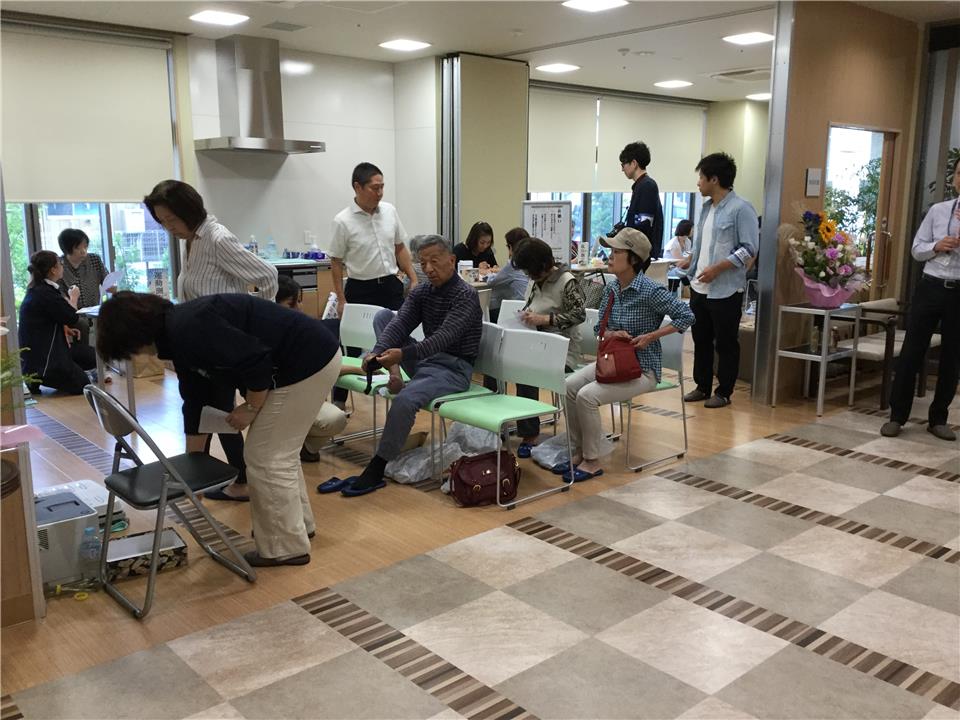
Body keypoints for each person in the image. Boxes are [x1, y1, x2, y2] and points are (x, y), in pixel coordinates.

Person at [96, 291, 342, 567]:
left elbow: (255, 360)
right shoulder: (177, 333)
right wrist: (192, 469)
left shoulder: (189, 328)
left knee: (266, 457)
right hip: (308, 356)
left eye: (129, 350)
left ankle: (285, 547)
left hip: (307, 362)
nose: (136, 356)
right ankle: (295, 529)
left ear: (134, 335)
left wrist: (251, 407)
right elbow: (195, 400)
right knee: (277, 452)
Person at [144, 179, 279, 501]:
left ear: (189, 210)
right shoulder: (192, 240)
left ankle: (229, 480)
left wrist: (256, 325)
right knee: (211, 409)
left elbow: (268, 275)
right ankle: (224, 479)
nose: (169, 227)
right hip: (200, 346)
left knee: (215, 409)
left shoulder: (216, 238)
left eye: (172, 220)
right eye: (162, 222)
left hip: (222, 347)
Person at [320, 235, 482, 497]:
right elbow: (400, 324)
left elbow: (443, 338)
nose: (428, 269)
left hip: (453, 369)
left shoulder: (466, 295)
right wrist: (376, 352)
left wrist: (402, 354)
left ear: (452, 260)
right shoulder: (422, 292)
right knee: (384, 316)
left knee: (406, 399)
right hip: (426, 362)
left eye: (435, 261)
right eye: (423, 263)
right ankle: (394, 374)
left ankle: (377, 466)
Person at [559, 228, 694, 481]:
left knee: (587, 396)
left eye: (616, 252)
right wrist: (612, 334)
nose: (609, 256)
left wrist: (651, 336)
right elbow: (599, 329)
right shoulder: (612, 288)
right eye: (610, 251)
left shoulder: (651, 291)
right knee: (568, 386)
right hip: (612, 363)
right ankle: (577, 450)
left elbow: (687, 315)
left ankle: (591, 461)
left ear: (633, 258)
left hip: (642, 369)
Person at [881, 157, 960, 442]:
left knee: (952, 356)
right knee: (912, 350)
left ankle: (938, 419)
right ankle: (897, 416)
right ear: (954, 178)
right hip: (930, 286)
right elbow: (916, 249)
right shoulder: (938, 211)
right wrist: (937, 246)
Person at [328, 162, 418, 409]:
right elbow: (335, 262)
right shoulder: (342, 221)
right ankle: (339, 400)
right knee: (350, 343)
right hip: (360, 287)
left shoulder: (389, 211)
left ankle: (402, 384)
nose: (380, 193)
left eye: (382, 187)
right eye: (374, 188)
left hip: (390, 285)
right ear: (358, 187)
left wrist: (413, 278)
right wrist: (341, 300)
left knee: (401, 334)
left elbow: (399, 247)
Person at [680, 152, 758, 409]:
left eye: (701, 177)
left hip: (725, 289)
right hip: (700, 286)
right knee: (700, 339)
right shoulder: (705, 208)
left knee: (725, 343)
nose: (698, 183)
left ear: (714, 179)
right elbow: (703, 245)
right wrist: (690, 260)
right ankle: (702, 386)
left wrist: (718, 268)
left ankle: (724, 391)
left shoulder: (741, 209)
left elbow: (748, 249)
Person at [508, 237, 586, 457]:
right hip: (537, 344)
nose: (528, 275)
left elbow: (579, 315)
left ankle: (529, 434)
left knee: (526, 372)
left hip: (562, 350)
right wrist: (526, 315)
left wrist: (545, 319)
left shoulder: (567, 281)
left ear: (543, 265)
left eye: (530, 271)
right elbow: (532, 306)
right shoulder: (536, 280)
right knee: (504, 364)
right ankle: (502, 423)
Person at [275, 275, 352, 461]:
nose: (299, 307)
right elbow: (320, 369)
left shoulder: (305, 330)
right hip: (277, 405)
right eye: (292, 303)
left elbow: (322, 367)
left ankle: (305, 447)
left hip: (301, 402)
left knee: (335, 418)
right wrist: (360, 369)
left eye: (299, 301)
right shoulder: (269, 334)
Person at [18, 251, 97, 396]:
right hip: (47, 361)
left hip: (32, 360)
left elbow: (46, 320)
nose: (62, 266)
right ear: (53, 270)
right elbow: (72, 317)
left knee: (92, 356)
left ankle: (42, 378)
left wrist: (63, 328)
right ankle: (54, 375)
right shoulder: (47, 293)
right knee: (83, 385)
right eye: (60, 264)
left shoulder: (36, 289)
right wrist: (74, 298)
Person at [58, 228, 112, 346]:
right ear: (67, 249)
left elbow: (108, 283)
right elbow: (60, 297)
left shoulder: (94, 259)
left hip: (95, 315)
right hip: (74, 320)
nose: (83, 251)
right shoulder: (59, 266)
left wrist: (113, 287)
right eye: (78, 248)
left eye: (85, 247)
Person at [620, 141, 665, 259]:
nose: (622, 169)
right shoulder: (642, 185)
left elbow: (644, 225)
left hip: (642, 255)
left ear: (634, 163)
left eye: (623, 164)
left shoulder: (647, 186)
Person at [480, 226, 530, 323]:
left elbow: (492, 282)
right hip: (530, 307)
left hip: (518, 311)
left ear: (510, 247)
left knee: (490, 306)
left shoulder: (514, 264)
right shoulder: (530, 260)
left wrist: (486, 273)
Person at [665, 219, 694, 294]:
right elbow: (680, 263)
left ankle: (689, 286)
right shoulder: (673, 243)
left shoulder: (688, 241)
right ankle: (689, 286)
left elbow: (687, 260)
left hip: (680, 268)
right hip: (670, 269)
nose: (693, 231)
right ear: (686, 229)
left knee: (691, 270)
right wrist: (688, 261)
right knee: (688, 272)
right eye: (692, 228)